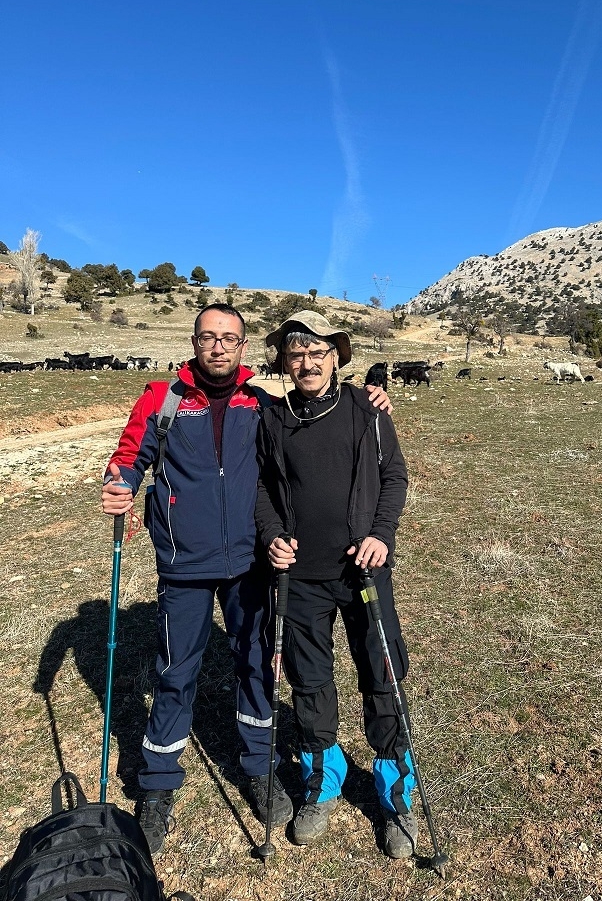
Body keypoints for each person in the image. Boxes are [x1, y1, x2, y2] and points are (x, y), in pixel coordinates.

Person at [101, 303, 391, 854]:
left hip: (249, 562)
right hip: (184, 562)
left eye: (229, 338)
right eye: (209, 337)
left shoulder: (259, 402)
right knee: (175, 671)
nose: (219, 346)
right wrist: (120, 485)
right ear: (194, 342)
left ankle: (260, 769)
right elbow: (130, 458)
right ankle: (158, 784)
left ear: (242, 347)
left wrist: (371, 397)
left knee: (256, 663)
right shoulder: (161, 400)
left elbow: (304, 431)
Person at [255, 310, 417, 859]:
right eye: (295, 354)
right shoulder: (272, 420)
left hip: (363, 570)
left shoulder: (366, 410)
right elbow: (260, 490)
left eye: (317, 352)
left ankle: (395, 796)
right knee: (309, 681)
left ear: (336, 357)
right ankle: (322, 784)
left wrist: (381, 534)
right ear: (284, 362)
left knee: (382, 673)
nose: (307, 363)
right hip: (299, 578)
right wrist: (272, 535)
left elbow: (394, 476)